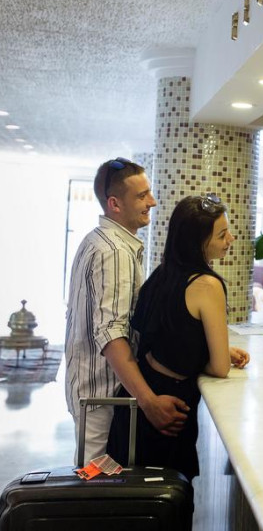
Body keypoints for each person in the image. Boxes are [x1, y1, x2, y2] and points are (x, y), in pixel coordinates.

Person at [107, 193, 250, 481]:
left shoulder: (161, 275)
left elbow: (171, 341)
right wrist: (216, 355)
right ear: (198, 243)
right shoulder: (208, 285)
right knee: (169, 496)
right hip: (170, 407)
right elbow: (220, 368)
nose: (230, 239)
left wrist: (210, 350)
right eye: (222, 234)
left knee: (128, 495)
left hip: (137, 403)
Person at [65, 157, 189, 466]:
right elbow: (111, 334)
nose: (152, 202)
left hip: (94, 392)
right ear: (115, 204)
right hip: (103, 398)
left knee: (99, 481)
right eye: (142, 196)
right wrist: (149, 402)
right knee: (99, 484)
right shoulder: (115, 251)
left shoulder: (98, 239)